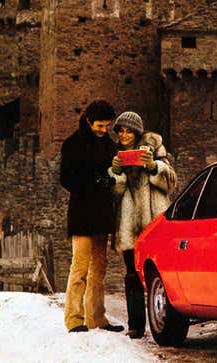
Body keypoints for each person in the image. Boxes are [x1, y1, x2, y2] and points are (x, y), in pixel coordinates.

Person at [108, 111, 176, 339]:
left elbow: (170, 183)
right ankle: (136, 325)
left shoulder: (155, 147)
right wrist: (116, 174)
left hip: (154, 221)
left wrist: (154, 166)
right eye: (120, 130)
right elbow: (114, 195)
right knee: (132, 274)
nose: (124, 135)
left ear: (137, 132)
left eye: (128, 130)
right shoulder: (115, 153)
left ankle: (166, 322)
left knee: (161, 274)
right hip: (128, 223)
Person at [60, 100, 124, 333]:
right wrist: (94, 181)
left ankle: (96, 317)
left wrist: (110, 178)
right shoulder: (73, 144)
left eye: (106, 126)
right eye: (99, 125)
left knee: (100, 268)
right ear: (89, 121)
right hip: (82, 213)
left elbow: (111, 174)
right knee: (80, 268)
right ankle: (74, 319)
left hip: (102, 213)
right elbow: (66, 179)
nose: (103, 130)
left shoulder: (108, 145)